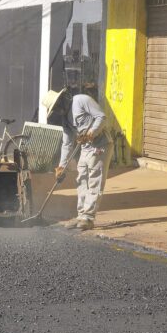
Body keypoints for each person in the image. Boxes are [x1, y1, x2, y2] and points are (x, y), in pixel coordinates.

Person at [42, 86, 113, 231]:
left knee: (94, 180)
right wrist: (61, 167)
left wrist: (91, 133)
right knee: (81, 180)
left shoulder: (81, 100)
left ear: (62, 99)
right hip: (85, 148)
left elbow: (101, 117)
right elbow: (67, 144)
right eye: (55, 109)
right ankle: (81, 215)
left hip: (101, 145)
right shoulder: (65, 120)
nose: (58, 110)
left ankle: (88, 217)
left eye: (57, 106)